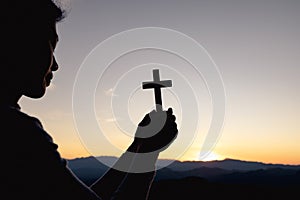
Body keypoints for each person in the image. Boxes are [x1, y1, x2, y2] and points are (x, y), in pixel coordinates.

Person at [1, 1, 178, 200]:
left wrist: (137, 147)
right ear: (21, 43)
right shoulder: (19, 135)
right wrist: (148, 156)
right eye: (51, 44)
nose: (56, 65)